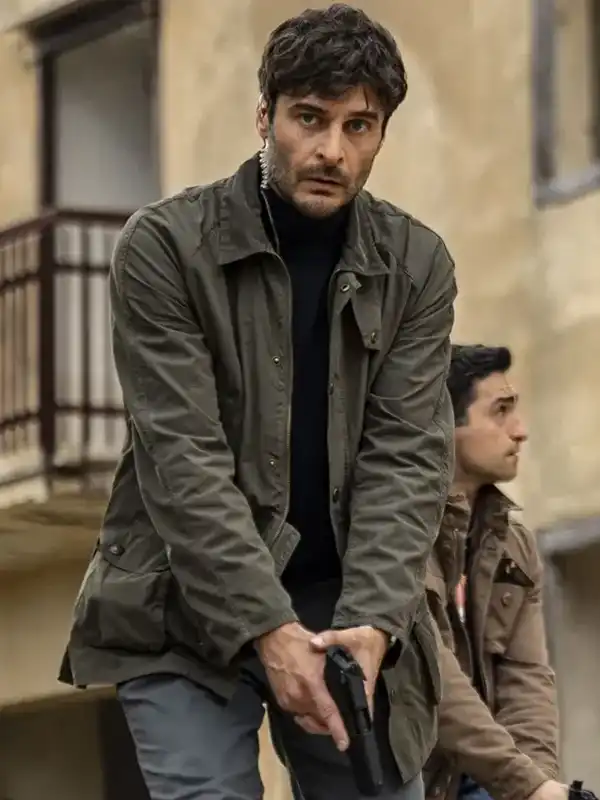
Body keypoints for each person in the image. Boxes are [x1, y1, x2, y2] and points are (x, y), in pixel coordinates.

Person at [58, 5, 457, 799]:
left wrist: (373, 622)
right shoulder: (165, 247)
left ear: (381, 135)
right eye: (309, 118)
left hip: (341, 601)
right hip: (179, 602)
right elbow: (182, 460)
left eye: (358, 126)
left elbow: (407, 459)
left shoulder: (418, 265)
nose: (331, 149)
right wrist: (266, 628)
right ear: (264, 116)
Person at [423, 344, 563, 800]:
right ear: (446, 424)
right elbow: (434, 680)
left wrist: (537, 784)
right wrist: (526, 785)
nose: (520, 431)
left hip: (486, 773)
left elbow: (528, 682)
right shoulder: (398, 534)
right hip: (399, 772)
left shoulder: (513, 543)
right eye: (500, 411)